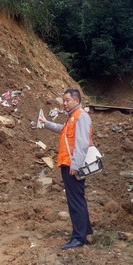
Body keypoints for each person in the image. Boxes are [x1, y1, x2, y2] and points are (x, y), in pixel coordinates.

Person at [39, 89, 93, 249]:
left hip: (72, 165)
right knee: (76, 199)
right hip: (68, 163)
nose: (64, 103)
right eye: (63, 100)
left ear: (77, 100)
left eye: (67, 100)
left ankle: (79, 237)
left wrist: (75, 165)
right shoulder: (72, 117)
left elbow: (82, 143)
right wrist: (46, 123)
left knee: (75, 201)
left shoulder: (81, 116)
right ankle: (85, 231)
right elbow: (62, 129)